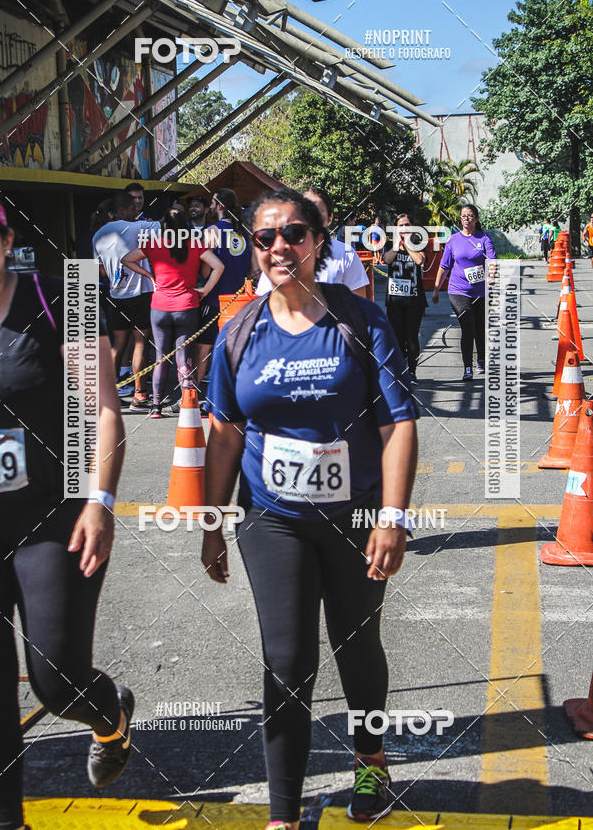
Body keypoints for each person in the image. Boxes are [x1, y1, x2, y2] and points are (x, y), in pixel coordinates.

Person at [202, 188, 418, 829]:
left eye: (294, 234)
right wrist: (212, 523)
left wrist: (392, 516)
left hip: (356, 518)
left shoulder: (361, 320)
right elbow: (226, 431)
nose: (279, 248)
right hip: (272, 520)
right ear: (253, 248)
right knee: (288, 659)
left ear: (319, 242)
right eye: (265, 237)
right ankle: (283, 813)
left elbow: (397, 424)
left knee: (358, 644)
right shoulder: (240, 332)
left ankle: (371, 758)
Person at [0, 199, 133, 830]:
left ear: (7, 239)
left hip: (53, 519)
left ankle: (110, 715)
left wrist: (99, 502)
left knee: (56, 682)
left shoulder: (61, 299)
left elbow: (103, 411)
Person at [121, 208, 224, 418]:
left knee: (160, 357)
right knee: (183, 356)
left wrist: (149, 276)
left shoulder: (154, 244)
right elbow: (218, 266)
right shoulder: (195, 244)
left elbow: (126, 259)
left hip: (159, 307)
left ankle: (156, 406)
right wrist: (205, 289)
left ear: (165, 226)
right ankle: (188, 402)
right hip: (187, 306)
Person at [92, 192, 156, 412]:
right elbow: (167, 227)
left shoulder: (98, 235)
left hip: (115, 296)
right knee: (140, 344)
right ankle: (139, 395)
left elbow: (99, 269)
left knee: (117, 347)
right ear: (125, 208)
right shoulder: (140, 228)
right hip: (140, 295)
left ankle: (109, 395)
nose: (136, 210)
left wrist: (115, 274)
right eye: (134, 207)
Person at [255, 187, 369, 297]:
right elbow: (264, 301)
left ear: (330, 218)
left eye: (317, 213)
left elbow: (358, 304)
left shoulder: (346, 254)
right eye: (305, 212)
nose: (311, 218)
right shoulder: (280, 251)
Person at [193, 188, 251, 389]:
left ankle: (192, 394)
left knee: (203, 347)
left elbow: (206, 271)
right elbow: (255, 269)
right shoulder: (244, 232)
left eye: (211, 202)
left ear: (219, 206)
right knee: (235, 348)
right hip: (240, 301)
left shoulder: (211, 232)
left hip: (215, 299)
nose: (209, 206)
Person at [431, 204, 496, 381]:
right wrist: (436, 288)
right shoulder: (453, 240)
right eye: (463, 216)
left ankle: (481, 359)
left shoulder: (484, 239)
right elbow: (444, 266)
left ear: (476, 218)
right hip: (458, 290)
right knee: (467, 326)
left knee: (479, 328)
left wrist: (491, 276)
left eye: (470, 216)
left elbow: (492, 261)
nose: (466, 219)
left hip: (480, 291)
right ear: (460, 219)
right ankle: (467, 367)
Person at [382, 213, 427, 385]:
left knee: (412, 336)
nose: (404, 228)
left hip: (414, 299)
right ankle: (400, 370)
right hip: (395, 299)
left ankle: (412, 371)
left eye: (407, 224)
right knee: (397, 336)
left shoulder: (418, 242)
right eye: (401, 225)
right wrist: (396, 245)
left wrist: (407, 245)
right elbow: (386, 259)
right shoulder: (390, 244)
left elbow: (419, 260)